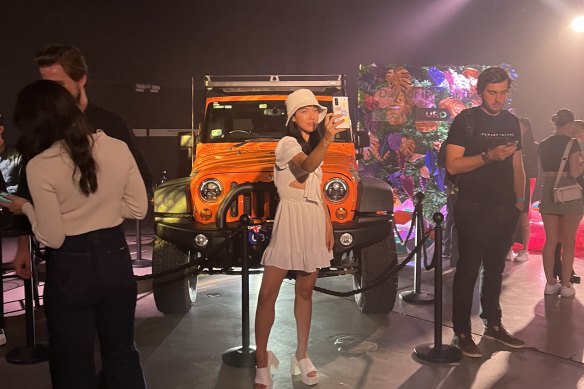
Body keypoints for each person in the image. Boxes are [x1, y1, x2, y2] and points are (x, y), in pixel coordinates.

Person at [4, 80, 148, 388]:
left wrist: (27, 208)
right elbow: (138, 209)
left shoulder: (41, 165)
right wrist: (104, 210)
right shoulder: (116, 147)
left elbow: (52, 238)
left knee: (73, 362)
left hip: (71, 269)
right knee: (122, 354)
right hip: (116, 260)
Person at [12, 43, 152, 277]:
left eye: (58, 86)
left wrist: (91, 209)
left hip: (110, 248)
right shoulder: (39, 128)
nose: (50, 94)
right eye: (45, 85)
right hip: (62, 251)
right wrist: (23, 246)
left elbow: (143, 180)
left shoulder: (112, 124)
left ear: (82, 80)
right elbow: (27, 190)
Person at [253, 89, 345, 389]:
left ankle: (302, 355)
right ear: (292, 116)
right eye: (304, 111)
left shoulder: (316, 145)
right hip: (289, 220)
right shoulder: (287, 143)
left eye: (315, 111)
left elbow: (316, 189)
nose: (311, 116)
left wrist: (328, 223)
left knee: (306, 292)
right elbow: (306, 166)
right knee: (268, 293)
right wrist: (329, 139)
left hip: (314, 219)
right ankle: (262, 361)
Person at [444, 67, 526, 358]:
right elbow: (453, 165)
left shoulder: (512, 122)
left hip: (505, 208)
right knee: (467, 270)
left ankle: (493, 323)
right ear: (480, 91)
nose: (498, 98)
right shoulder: (466, 120)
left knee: (495, 270)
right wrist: (487, 157)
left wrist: (520, 202)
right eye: (492, 92)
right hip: (473, 207)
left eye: (503, 92)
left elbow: (518, 164)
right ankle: (462, 333)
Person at [537, 109, 583, 298]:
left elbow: (543, 170)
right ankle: (566, 286)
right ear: (571, 124)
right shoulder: (573, 144)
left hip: (549, 191)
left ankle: (550, 283)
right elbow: (574, 172)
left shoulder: (543, 144)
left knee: (551, 240)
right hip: (569, 192)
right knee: (569, 242)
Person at [506, 117, 539, 262]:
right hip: (509, 182)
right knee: (509, 216)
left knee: (524, 216)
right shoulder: (511, 143)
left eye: (520, 125)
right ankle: (508, 249)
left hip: (526, 183)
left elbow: (533, 169)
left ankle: (525, 250)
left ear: (526, 128)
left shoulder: (533, 147)